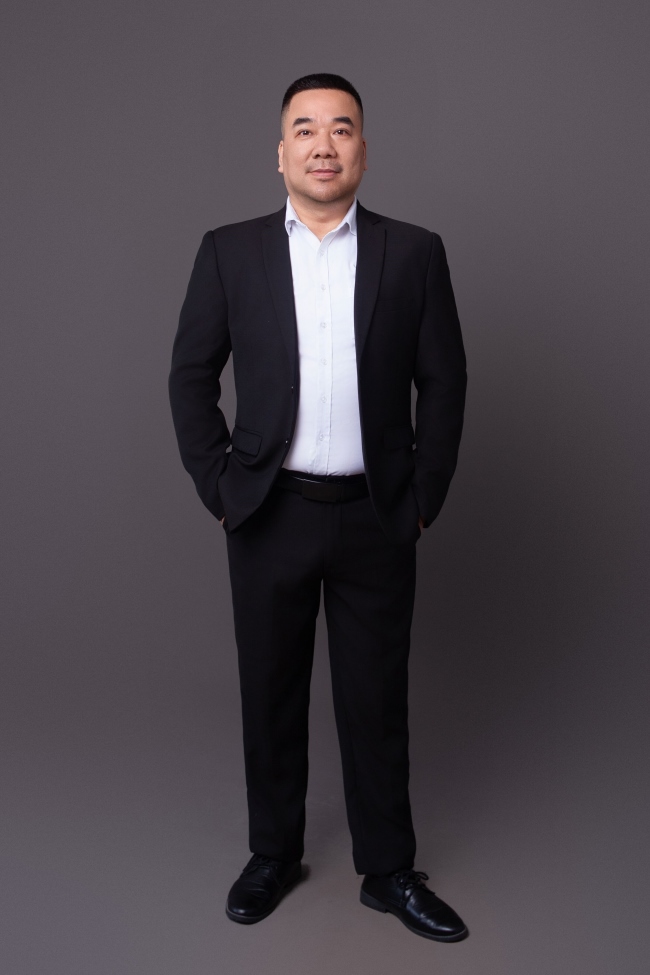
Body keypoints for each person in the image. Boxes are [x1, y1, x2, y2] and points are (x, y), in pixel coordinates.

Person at [168, 73, 468, 942]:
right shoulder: (230, 251)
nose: (324, 144)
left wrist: (422, 499)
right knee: (269, 691)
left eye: (342, 128)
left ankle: (389, 869)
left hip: (377, 514)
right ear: (281, 153)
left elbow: (445, 381)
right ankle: (273, 853)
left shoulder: (415, 252)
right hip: (269, 511)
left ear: (363, 151)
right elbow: (190, 376)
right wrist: (222, 489)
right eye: (305, 129)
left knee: (377, 698)